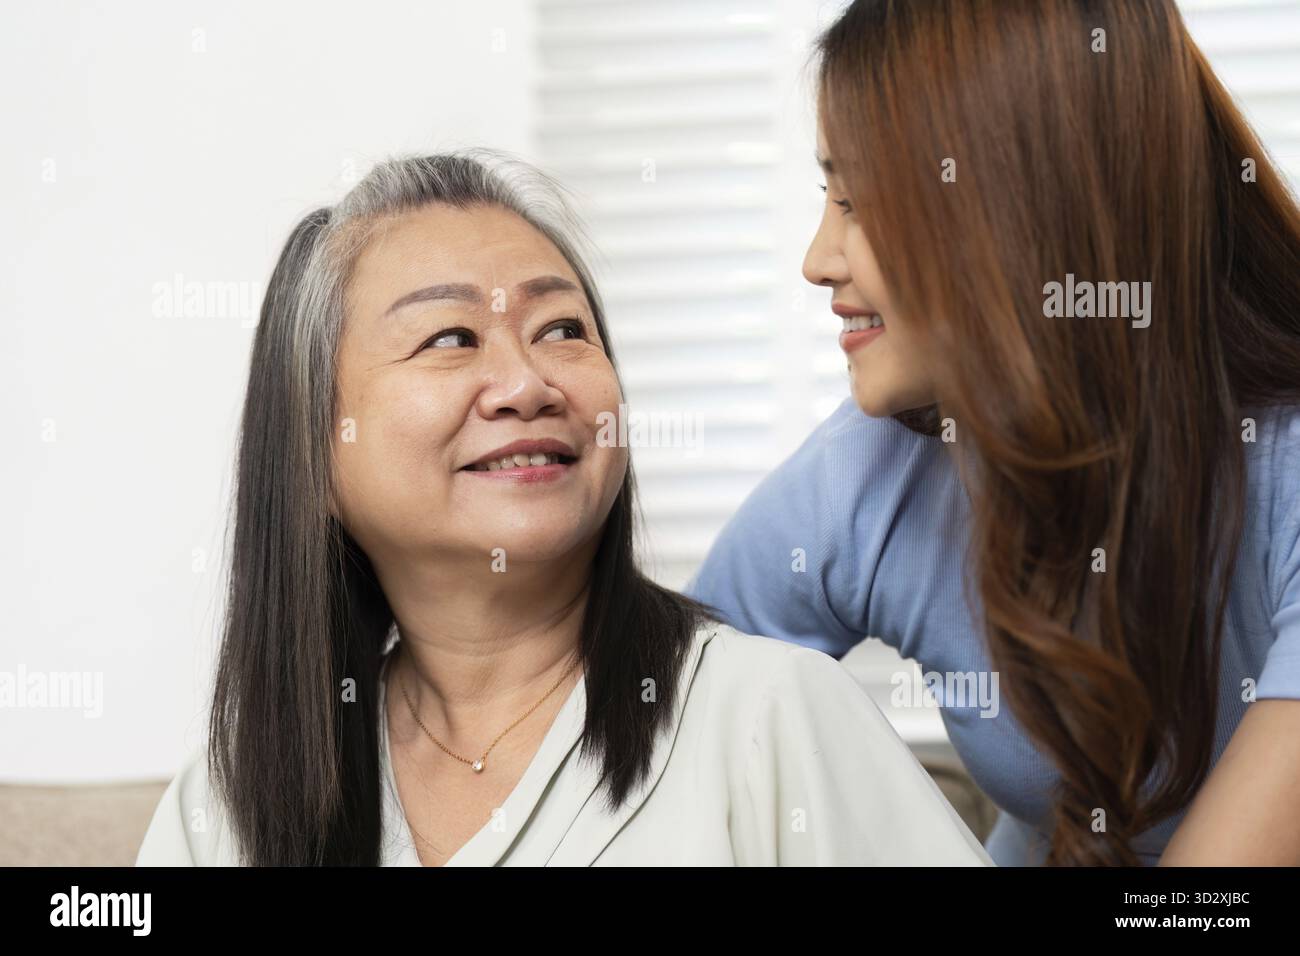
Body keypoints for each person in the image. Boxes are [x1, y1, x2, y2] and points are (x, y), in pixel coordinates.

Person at [135, 151, 991, 867]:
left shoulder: (771, 716)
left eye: (561, 330)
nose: (527, 384)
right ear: (313, 452)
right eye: (451, 338)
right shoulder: (227, 805)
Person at [687, 0, 1300, 866]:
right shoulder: (874, 472)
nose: (818, 260)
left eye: (858, 201)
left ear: (1016, 211)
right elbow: (660, 719)